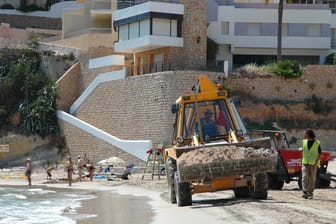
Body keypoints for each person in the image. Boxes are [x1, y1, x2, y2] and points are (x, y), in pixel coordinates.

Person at [301, 129, 321, 199]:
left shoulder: (317, 143)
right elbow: (303, 152)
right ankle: (305, 191)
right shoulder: (304, 142)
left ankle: (310, 193)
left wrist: (316, 162)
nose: (304, 135)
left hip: (313, 164)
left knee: (312, 179)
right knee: (304, 176)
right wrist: (302, 160)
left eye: (305, 133)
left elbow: (319, 153)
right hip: (305, 162)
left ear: (309, 135)